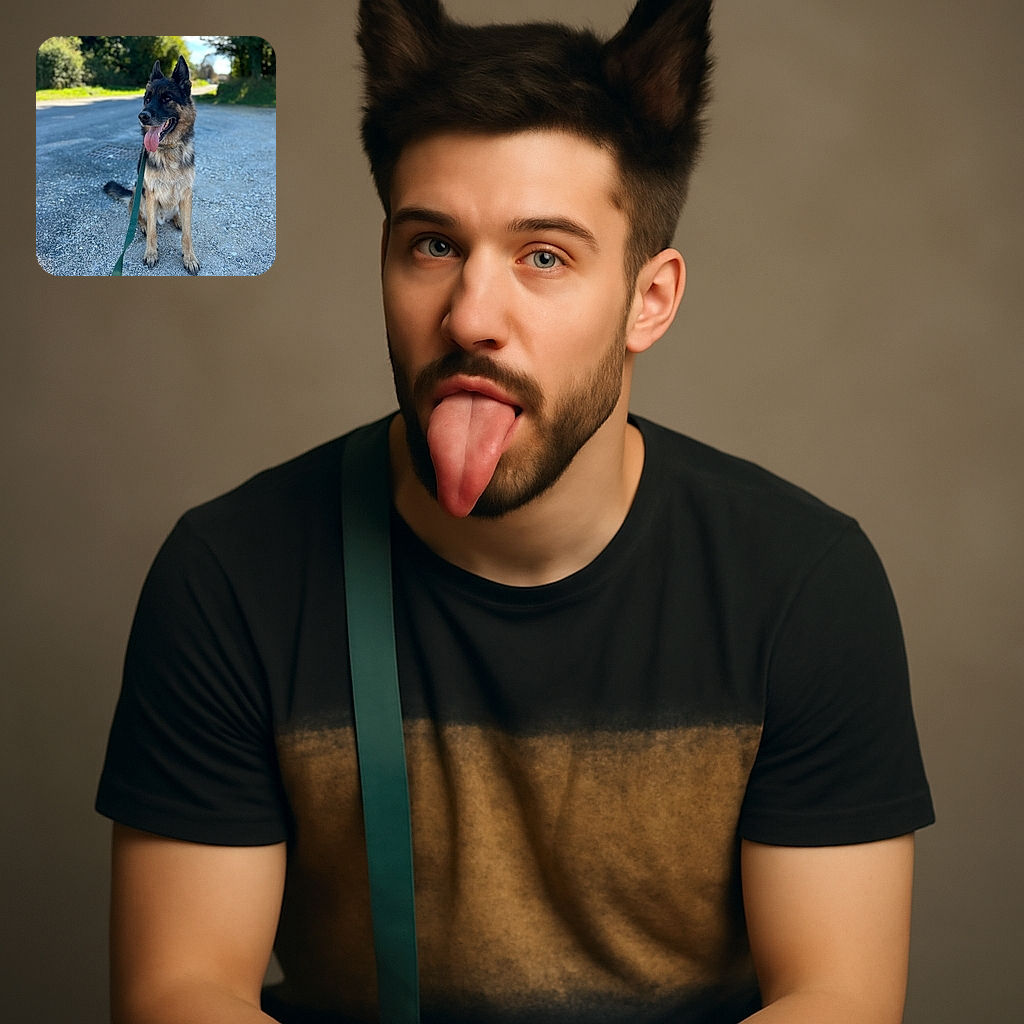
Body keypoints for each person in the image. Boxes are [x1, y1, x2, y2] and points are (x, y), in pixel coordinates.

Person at [96, 2, 934, 1022]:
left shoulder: (803, 586)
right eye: (433, 246)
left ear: (649, 299)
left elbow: (836, 996)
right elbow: (181, 990)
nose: (470, 316)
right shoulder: (233, 576)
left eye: (544, 255)